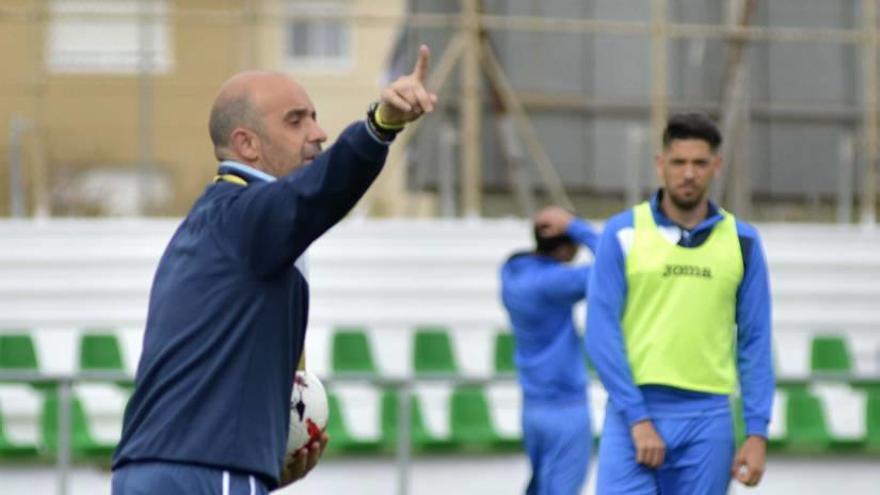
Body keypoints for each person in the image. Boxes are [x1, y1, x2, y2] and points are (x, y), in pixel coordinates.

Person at [111, 46, 437, 494]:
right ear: (247, 144)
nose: (318, 133)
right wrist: (379, 126)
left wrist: (261, 455)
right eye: (296, 120)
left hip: (150, 470)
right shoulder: (246, 216)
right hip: (209, 468)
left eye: (315, 117)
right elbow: (318, 192)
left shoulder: (209, 227)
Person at [585, 112, 774, 494]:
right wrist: (638, 418)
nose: (689, 173)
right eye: (679, 162)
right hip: (632, 415)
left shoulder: (743, 242)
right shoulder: (622, 234)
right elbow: (600, 333)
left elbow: (755, 341)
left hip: (709, 418)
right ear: (661, 164)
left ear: (716, 166)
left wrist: (757, 432)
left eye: (700, 163)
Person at [500, 206, 601, 495]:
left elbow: (526, 256)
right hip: (566, 411)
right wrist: (575, 225)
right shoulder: (555, 282)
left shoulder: (511, 272)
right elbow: (616, 266)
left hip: (532, 409)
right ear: (565, 248)